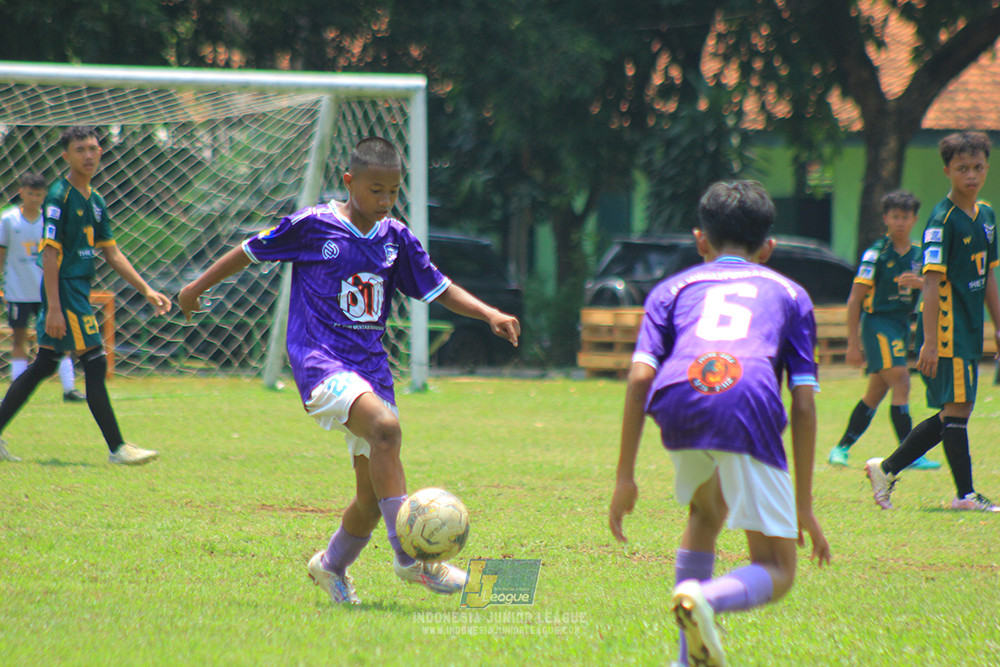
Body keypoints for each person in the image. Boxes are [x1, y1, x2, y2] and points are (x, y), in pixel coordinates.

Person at [178, 137, 521, 604]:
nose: (384, 201)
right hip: (320, 361)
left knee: (370, 499)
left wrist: (490, 314)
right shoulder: (313, 226)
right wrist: (195, 288)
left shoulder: (395, 238)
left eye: (393, 191)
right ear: (349, 181)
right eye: (375, 189)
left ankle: (330, 565)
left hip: (371, 369)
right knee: (386, 429)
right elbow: (250, 251)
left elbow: (439, 287)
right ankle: (414, 559)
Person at [609, 180, 831, 667]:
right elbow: (805, 403)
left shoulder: (672, 289)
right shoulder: (792, 294)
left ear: (700, 240)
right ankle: (705, 599)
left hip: (677, 397)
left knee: (706, 514)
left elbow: (639, 376)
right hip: (747, 398)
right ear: (768, 248)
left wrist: (625, 477)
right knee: (776, 568)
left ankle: (686, 659)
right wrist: (804, 506)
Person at [0, 127, 170, 465]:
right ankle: (118, 448)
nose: (89, 155)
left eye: (94, 148)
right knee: (94, 360)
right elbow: (49, 254)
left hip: (78, 288)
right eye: (80, 149)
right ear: (66, 156)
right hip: (64, 288)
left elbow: (113, 253)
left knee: (43, 365)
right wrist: (54, 308)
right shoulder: (59, 196)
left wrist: (147, 289)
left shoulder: (96, 200)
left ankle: (117, 448)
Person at [865, 131, 1000, 512]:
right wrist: (929, 341)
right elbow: (931, 282)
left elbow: (989, 275)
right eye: (962, 169)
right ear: (947, 171)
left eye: (977, 167)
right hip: (949, 328)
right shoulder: (942, 221)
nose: (971, 176)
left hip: (971, 327)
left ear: (987, 167)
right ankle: (965, 495)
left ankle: (887, 468)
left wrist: (998, 326)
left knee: (956, 411)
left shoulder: (986, 215)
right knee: (957, 409)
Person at [828, 190, 939, 470]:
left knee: (875, 392)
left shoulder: (920, 254)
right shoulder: (875, 254)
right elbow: (855, 299)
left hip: (902, 325)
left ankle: (840, 448)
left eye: (905, 217)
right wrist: (853, 343)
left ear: (914, 219)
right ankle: (912, 454)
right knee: (901, 381)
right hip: (879, 324)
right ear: (885, 219)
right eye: (894, 216)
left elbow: (936, 289)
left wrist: (920, 284)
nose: (900, 222)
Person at [0, 172, 85, 402]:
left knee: (59, 337)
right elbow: (1, 253)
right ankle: (15, 391)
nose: (34, 198)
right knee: (19, 338)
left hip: (48, 292)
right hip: (18, 290)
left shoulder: (49, 220)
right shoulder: (8, 220)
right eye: (30, 193)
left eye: (39, 195)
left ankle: (69, 388)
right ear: (21, 193)